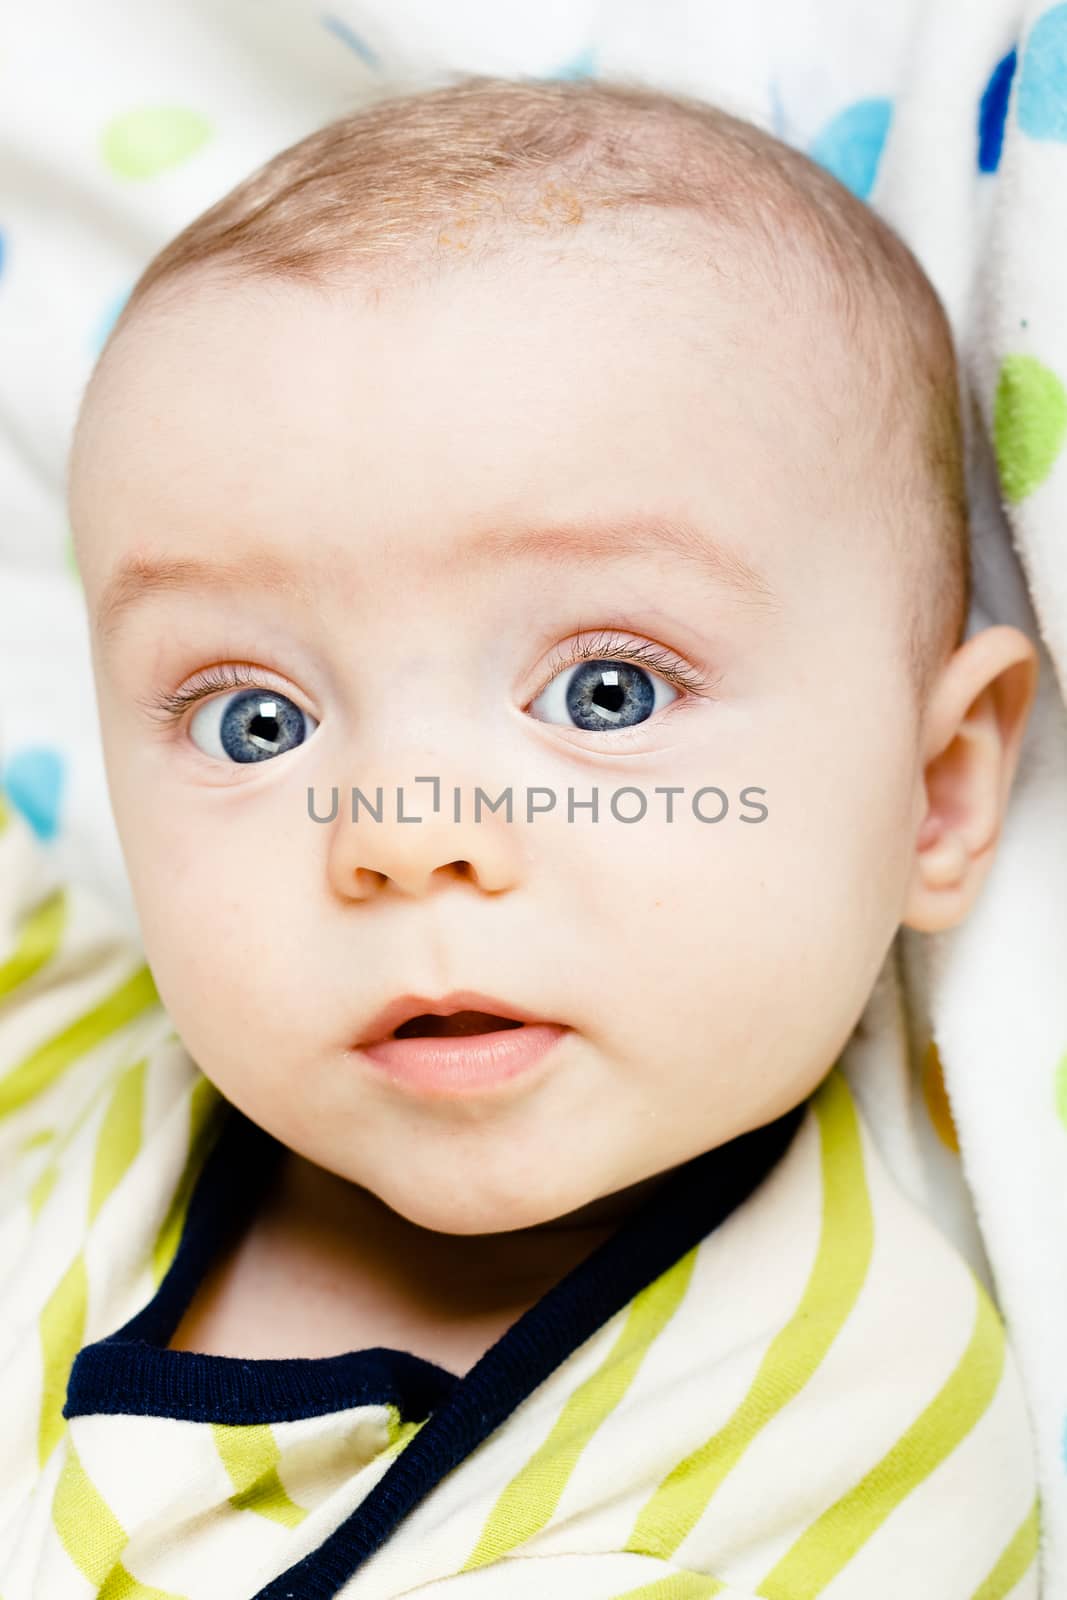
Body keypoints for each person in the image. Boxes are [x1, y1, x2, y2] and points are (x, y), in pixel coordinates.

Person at [0, 73, 1041, 1598]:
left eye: (606, 692)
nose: (408, 840)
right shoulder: (77, 1038)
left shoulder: (823, 1445)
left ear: (935, 789)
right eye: (252, 722)